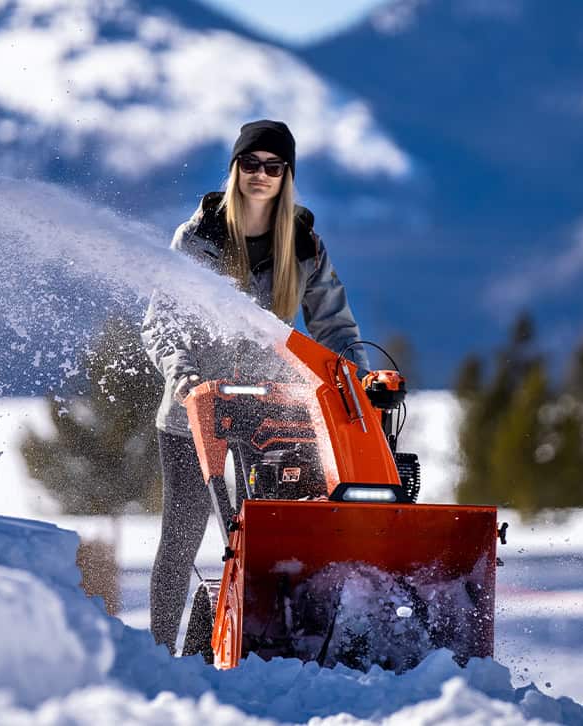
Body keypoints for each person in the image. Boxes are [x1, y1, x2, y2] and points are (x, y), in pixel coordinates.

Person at [140, 119, 372, 654]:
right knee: (181, 539)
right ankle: (153, 655)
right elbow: (162, 322)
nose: (260, 174)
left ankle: (248, 652)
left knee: (261, 545)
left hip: (275, 419)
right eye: (250, 164)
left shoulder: (306, 244)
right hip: (196, 414)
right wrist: (185, 378)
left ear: (287, 175)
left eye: (273, 166)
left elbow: (334, 327)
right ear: (234, 169)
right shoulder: (200, 238)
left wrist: (357, 379)